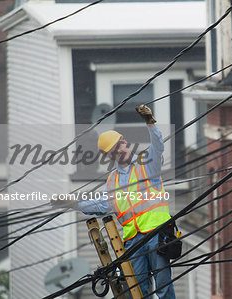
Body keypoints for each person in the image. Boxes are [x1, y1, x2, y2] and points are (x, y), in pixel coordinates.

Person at [54, 105, 176, 298]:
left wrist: (150, 123)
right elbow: (102, 204)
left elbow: (158, 147)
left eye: (119, 146)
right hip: (133, 241)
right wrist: (74, 203)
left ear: (124, 142)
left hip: (156, 233)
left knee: (163, 288)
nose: (118, 151)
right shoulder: (113, 180)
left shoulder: (147, 165)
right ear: (110, 156)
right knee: (138, 292)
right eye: (113, 151)